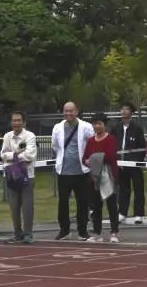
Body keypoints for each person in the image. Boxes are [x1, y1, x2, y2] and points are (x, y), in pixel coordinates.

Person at [51, 101, 95, 241]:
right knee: (63, 202)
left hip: (82, 171)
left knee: (82, 202)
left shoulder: (86, 127)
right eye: (66, 111)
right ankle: (64, 230)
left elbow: (92, 144)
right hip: (64, 171)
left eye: (71, 110)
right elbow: (55, 146)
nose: (68, 113)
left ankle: (82, 231)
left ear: (76, 111)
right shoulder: (57, 128)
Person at [0, 111, 37, 244]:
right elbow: (3, 155)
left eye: (19, 120)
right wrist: (16, 154)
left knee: (27, 207)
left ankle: (28, 234)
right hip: (11, 175)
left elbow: (29, 155)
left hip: (27, 175)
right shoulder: (7, 136)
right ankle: (17, 233)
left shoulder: (30, 136)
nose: (16, 123)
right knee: (14, 207)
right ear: (11, 122)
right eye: (14, 120)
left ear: (24, 122)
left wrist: (11, 156)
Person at [83, 113, 121, 243]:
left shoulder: (111, 139)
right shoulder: (90, 141)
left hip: (108, 176)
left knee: (112, 206)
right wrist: (89, 161)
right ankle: (97, 232)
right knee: (96, 207)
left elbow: (110, 156)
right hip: (94, 178)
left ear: (105, 125)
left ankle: (114, 232)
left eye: (99, 123)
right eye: (94, 123)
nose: (97, 126)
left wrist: (94, 158)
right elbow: (85, 158)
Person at [111, 102, 146, 225]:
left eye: (126, 109)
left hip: (134, 165)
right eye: (122, 109)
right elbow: (112, 144)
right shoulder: (116, 128)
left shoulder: (137, 128)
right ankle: (122, 213)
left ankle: (138, 214)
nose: (124, 111)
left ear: (131, 112)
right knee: (123, 190)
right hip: (121, 165)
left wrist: (137, 161)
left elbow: (142, 147)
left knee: (138, 188)